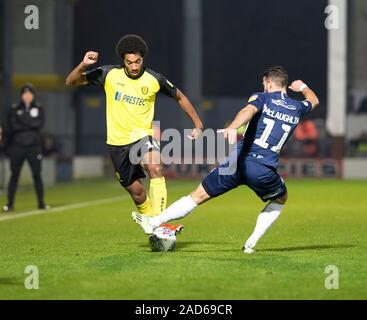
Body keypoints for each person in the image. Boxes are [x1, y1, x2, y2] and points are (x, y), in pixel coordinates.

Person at [132, 66, 319, 253]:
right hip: (262, 168)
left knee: (197, 196)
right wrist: (302, 86)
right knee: (280, 198)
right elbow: (313, 100)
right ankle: (251, 243)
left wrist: (233, 127)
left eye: (264, 84)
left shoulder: (263, 98)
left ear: (269, 83)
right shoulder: (297, 107)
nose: (263, 87)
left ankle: (155, 221)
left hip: (236, 162)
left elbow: (248, 110)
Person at [66, 34, 203, 223]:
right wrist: (83, 65)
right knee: (137, 192)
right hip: (116, 143)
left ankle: (160, 221)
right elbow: (71, 82)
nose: (134, 66)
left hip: (142, 137)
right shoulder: (109, 74)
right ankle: (151, 225)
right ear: (123, 61)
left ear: (143, 59)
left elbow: (180, 97)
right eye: (129, 62)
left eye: (137, 61)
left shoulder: (154, 79)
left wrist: (198, 124)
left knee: (155, 166)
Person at [1, 84, 48, 212]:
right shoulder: (14, 108)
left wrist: (23, 120)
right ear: (21, 95)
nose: (27, 96)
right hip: (17, 147)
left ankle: (41, 203)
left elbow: (39, 124)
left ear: (33, 95)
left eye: (30, 94)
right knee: (14, 175)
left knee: (37, 175)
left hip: (34, 147)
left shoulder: (38, 108)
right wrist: (29, 121)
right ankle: (9, 204)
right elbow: (13, 126)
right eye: (25, 94)